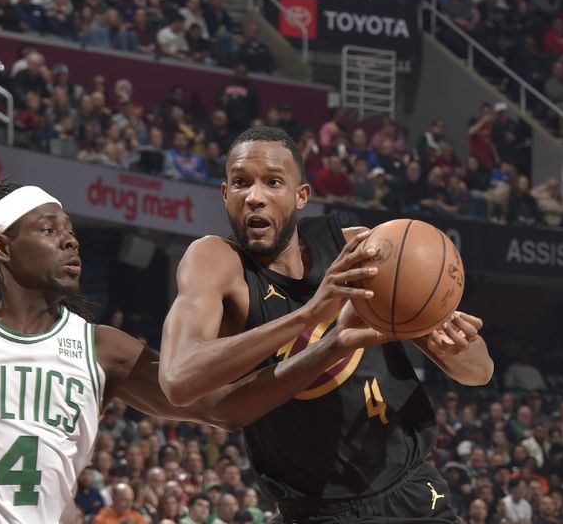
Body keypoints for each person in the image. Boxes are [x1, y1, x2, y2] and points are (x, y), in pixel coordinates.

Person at [0, 180, 355, 524]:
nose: (70, 239)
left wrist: (330, 342)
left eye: (70, 230)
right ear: (1, 247)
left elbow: (224, 408)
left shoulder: (101, 348)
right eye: (48, 230)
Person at [159, 126, 494, 522]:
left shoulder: (358, 250)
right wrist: (309, 315)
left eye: (272, 182)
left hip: (412, 492)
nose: (254, 196)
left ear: (301, 196)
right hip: (319, 510)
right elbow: (178, 378)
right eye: (240, 183)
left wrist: (454, 346)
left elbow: (480, 372)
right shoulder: (216, 261)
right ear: (225, 194)